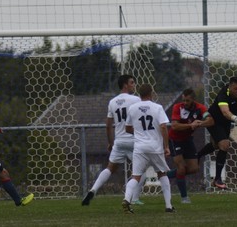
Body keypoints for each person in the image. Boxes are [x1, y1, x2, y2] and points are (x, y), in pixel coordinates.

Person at [82, 74, 145, 206]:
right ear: (125, 85)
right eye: (132, 82)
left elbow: (108, 125)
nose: (134, 85)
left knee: (110, 168)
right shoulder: (136, 99)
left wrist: (111, 143)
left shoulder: (112, 102)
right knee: (141, 170)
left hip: (119, 141)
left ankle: (93, 190)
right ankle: (134, 198)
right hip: (133, 141)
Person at [122, 84, 174, 214]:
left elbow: (127, 128)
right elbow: (163, 127)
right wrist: (166, 146)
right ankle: (168, 206)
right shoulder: (157, 107)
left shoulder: (132, 108)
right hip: (155, 147)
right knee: (162, 173)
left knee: (135, 176)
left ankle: (127, 199)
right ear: (151, 93)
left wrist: (140, 133)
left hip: (139, 147)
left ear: (139, 94)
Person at [194, 76, 237, 189]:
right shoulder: (223, 94)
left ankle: (197, 155)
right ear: (229, 87)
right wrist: (235, 118)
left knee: (216, 145)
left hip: (226, 122)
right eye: (235, 89)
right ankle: (217, 179)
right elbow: (225, 112)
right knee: (225, 145)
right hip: (214, 121)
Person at [165, 88, 207, 203]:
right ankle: (184, 197)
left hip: (187, 140)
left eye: (187, 100)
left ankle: (166, 175)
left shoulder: (200, 108)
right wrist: (191, 125)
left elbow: (210, 119)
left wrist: (202, 122)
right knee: (181, 168)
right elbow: (174, 126)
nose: (185, 103)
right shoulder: (177, 107)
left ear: (193, 99)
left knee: (194, 168)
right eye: (183, 100)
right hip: (174, 140)